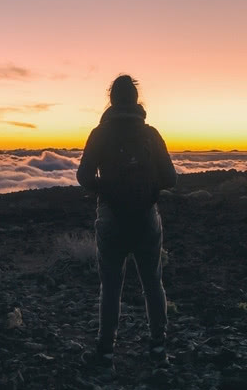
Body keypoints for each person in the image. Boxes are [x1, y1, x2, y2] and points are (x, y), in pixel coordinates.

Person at [76, 74, 177, 370]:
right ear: (136, 100)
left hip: (111, 219)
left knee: (111, 286)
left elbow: (83, 177)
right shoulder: (150, 134)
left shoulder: (100, 134)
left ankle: (105, 354)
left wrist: (106, 190)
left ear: (111, 100)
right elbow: (171, 178)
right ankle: (159, 350)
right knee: (153, 284)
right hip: (147, 218)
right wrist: (149, 191)